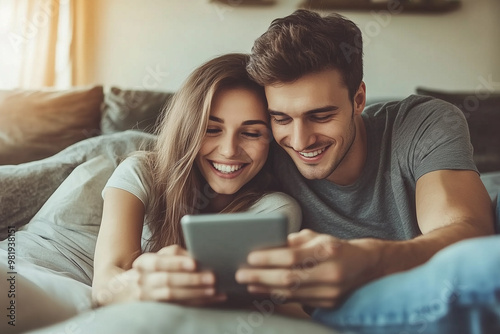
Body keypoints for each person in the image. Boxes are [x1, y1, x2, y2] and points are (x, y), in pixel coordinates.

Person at [233, 9, 499, 332]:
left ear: (358, 99)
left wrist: (369, 260)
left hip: (429, 293)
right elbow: (165, 158)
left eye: (320, 115)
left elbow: (468, 234)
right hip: (331, 317)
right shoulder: (261, 148)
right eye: (282, 118)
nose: (300, 140)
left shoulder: (423, 123)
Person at [91, 53, 302, 308]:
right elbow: (105, 287)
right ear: (187, 130)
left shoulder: (276, 210)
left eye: (250, 133)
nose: (229, 150)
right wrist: (150, 286)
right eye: (212, 129)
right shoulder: (139, 171)